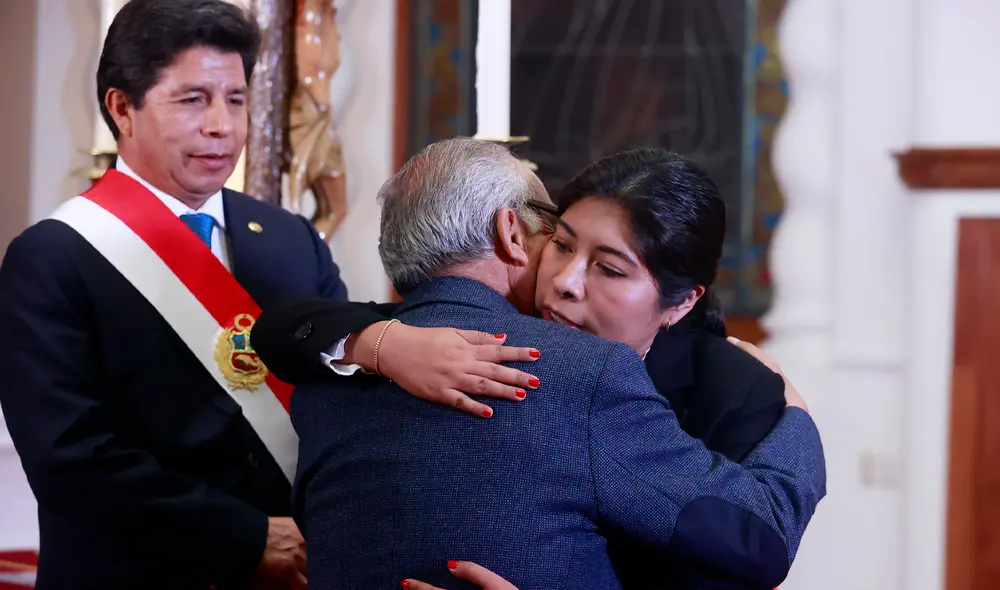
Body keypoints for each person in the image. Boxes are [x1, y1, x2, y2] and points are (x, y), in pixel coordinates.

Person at [0, 3, 533, 589]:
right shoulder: (53, 256)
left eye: (236, 98)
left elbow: (339, 394)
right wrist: (249, 538)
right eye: (192, 99)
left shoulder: (287, 237)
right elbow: (71, 461)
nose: (222, 125)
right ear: (122, 108)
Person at [275, 139, 825, 589]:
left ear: (682, 300)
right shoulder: (576, 374)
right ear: (513, 234)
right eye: (560, 243)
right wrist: (801, 424)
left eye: (610, 268)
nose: (564, 281)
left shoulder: (327, 380)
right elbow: (765, 535)